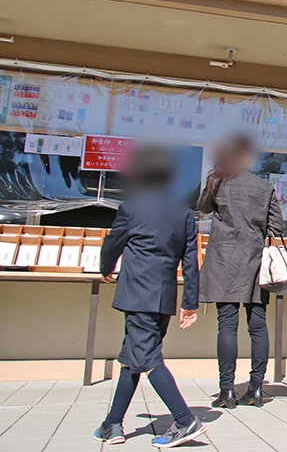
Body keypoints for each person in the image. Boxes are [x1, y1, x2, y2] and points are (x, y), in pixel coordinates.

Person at [92, 145, 206, 448]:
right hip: (163, 298)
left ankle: (185, 419)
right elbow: (191, 262)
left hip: (137, 295)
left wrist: (106, 268)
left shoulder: (132, 209)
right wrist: (189, 303)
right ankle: (112, 424)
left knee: (148, 359)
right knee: (132, 358)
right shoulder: (184, 214)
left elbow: (112, 244)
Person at [198, 134, 283, 409]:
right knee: (257, 325)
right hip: (255, 262)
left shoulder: (218, 180)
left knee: (226, 325)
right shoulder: (264, 187)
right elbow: (277, 227)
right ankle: (256, 388)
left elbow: (202, 207)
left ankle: (226, 391)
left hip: (223, 260)